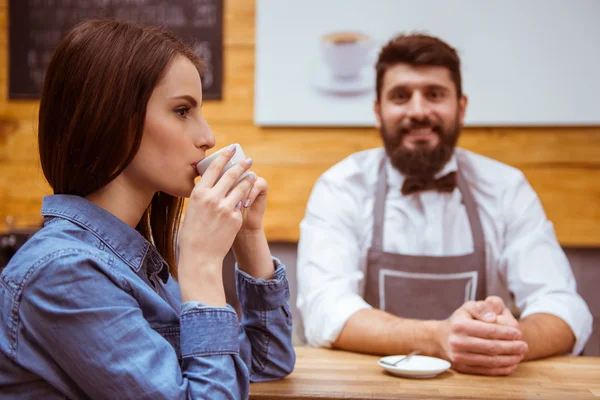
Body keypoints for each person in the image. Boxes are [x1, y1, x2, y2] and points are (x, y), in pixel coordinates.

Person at [0, 19, 294, 398]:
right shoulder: (64, 272)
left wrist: (249, 236)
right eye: (183, 111)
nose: (208, 137)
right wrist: (202, 263)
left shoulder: (134, 265)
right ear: (114, 119)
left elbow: (267, 363)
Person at [296, 33, 592, 376]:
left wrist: (506, 341)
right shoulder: (341, 187)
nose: (419, 111)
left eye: (434, 94)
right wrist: (437, 337)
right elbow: (324, 310)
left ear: (461, 108)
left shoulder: (506, 188)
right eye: (401, 96)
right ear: (378, 111)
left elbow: (564, 307)